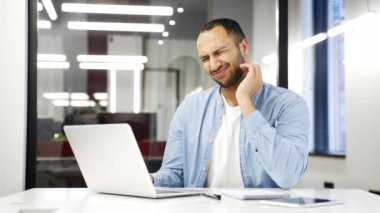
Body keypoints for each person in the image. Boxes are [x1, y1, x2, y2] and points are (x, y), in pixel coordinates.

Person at [151, 18, 309, 188]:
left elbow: (288, 175)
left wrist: (245, 102)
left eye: (219, 52)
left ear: (243, 47)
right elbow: (174, 174)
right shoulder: (189, 109)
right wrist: (148, 180)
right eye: (205, 58)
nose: (213, 65)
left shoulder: (288, 104)